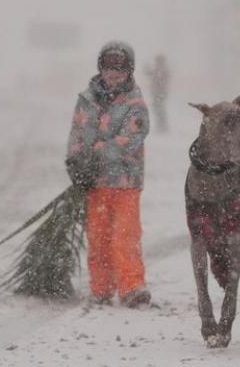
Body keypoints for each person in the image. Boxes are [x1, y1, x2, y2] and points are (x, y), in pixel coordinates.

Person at [66, 40, 152, 308]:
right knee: (98, 236)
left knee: (125, 236)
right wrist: (76, 163)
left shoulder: (135, 103)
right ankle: (101, 288)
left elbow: (131, 139)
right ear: (100, 67)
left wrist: (97, 155)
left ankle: (131, 287)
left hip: (125, 183)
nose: (114, 73)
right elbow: (77, 135)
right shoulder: (86, 100)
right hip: (96, 183)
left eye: (120, 67)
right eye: (108, 66)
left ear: (129, 70)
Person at [145, 54, 170, 132]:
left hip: (159, 94)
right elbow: (149, 73)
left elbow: (160, 79)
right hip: (157, 93)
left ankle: (162, 126)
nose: (156, 63)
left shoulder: (162, 70)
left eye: (157, 61)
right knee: (157, 109)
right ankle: (161, 125)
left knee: (159, 109)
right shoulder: (159, 70)